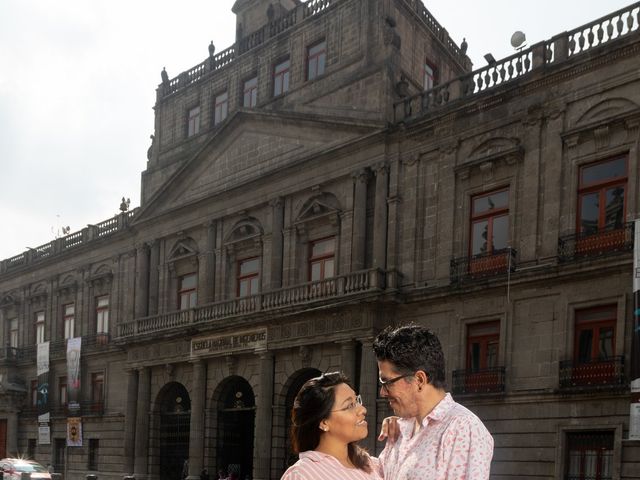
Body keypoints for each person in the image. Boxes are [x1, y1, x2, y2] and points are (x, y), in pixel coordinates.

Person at [373, 324, 494, 479]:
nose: (383, 392)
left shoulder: (462, 428)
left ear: (419, 379)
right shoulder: (400, 428)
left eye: (387, 382)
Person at [281, 371, 382, 479]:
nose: (363, 410)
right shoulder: (302, 475)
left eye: (357, 400)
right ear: (324, 422)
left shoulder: (372, 465)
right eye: (349, 405)